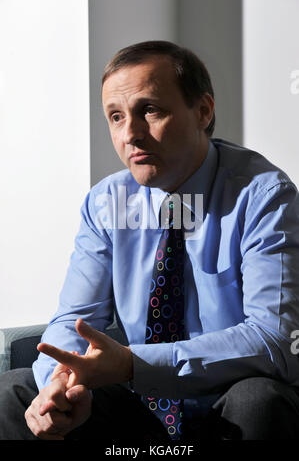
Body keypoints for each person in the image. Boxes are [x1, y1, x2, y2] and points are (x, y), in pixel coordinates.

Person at [1, 40, 299, 442]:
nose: (131, 134)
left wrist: (131, 364)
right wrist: (64, 382)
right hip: (140, 410)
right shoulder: (107, 202)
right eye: (116, 117)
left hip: (226, 403)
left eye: (150, 110)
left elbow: (275, 340)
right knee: (15, 393)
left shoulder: (263, 195)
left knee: (257, 399)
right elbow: (74, 319)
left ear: (203, 111)